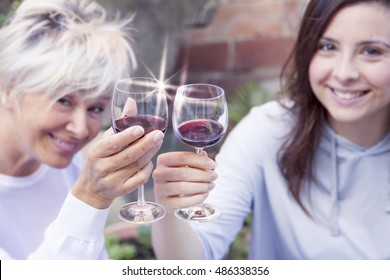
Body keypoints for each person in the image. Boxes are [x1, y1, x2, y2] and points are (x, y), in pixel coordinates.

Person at [151, 0, 390, 259]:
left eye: (372, 51)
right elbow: (193, 261)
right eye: (328, 46)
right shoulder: (267, 131)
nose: (344, 73)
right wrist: (171, 208)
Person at [0, 0, 165, 259]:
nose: (79, 130)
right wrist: (90, 196)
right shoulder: (83, 180)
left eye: (96, 108)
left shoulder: (71, 166)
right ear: (10, 89)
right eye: (64, 100)